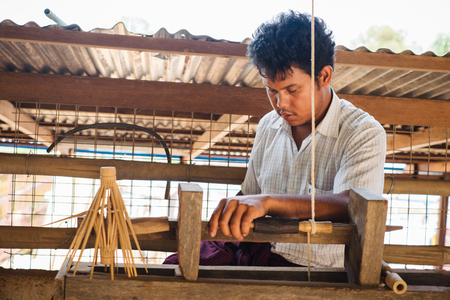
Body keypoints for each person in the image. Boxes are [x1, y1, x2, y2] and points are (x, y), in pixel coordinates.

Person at [164, 10, 386, 268]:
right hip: (253, 247)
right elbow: (250, 193)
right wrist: (231, 212)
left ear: (324, 76)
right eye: (271, 90)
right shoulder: (269, 125)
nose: (281, 104)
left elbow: (352, 202)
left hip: (309, 266)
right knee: (172, 270)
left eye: (292, 90)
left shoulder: (362, 132)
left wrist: (268, 202)